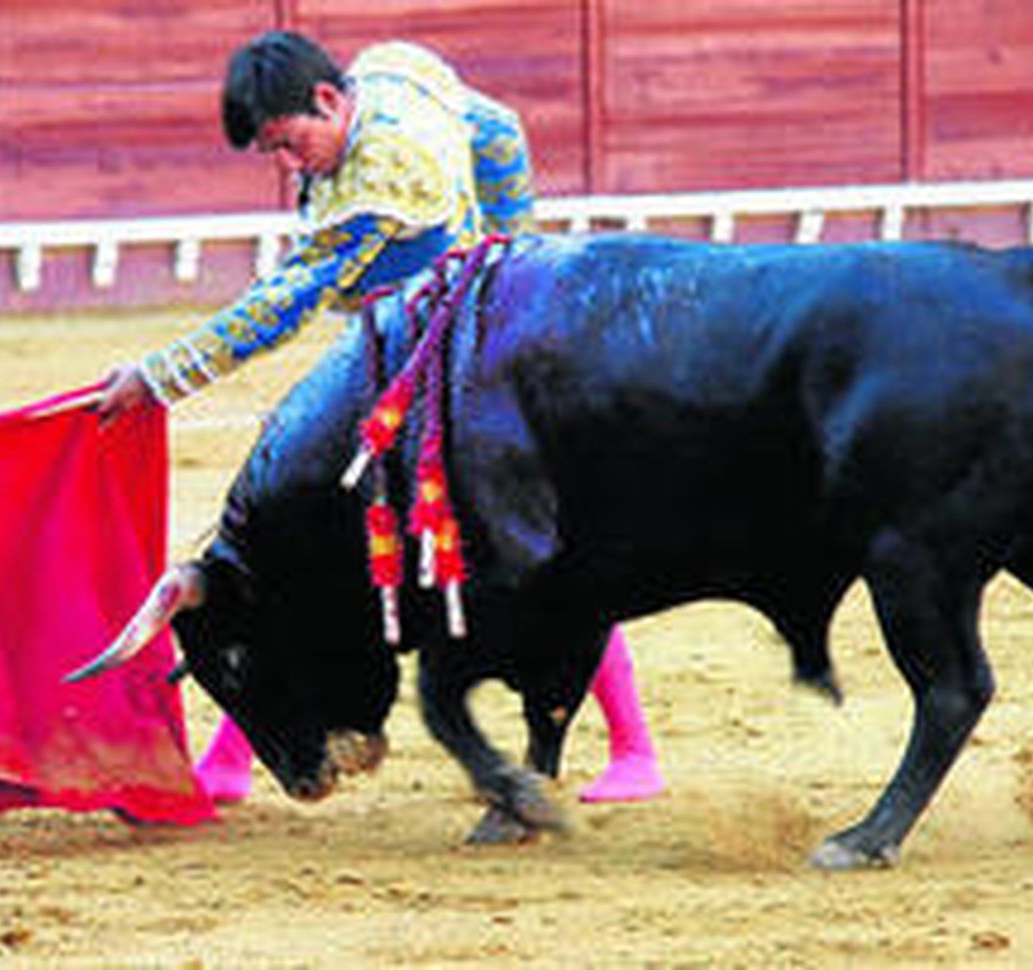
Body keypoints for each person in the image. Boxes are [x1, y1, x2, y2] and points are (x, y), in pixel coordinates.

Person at [97, 31, 664, 805]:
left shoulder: (391, 166)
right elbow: (498, 129)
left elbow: (289, 299)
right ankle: (233, 758)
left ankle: (634, 749)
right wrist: (509, 245)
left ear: (330, 100)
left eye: (292, 143)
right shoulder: (392, 74)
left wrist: (162, 376)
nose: (291, 166)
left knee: (532, 538)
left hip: (464, 370)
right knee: (309, 536)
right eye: (275, 152)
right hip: (406, 348)